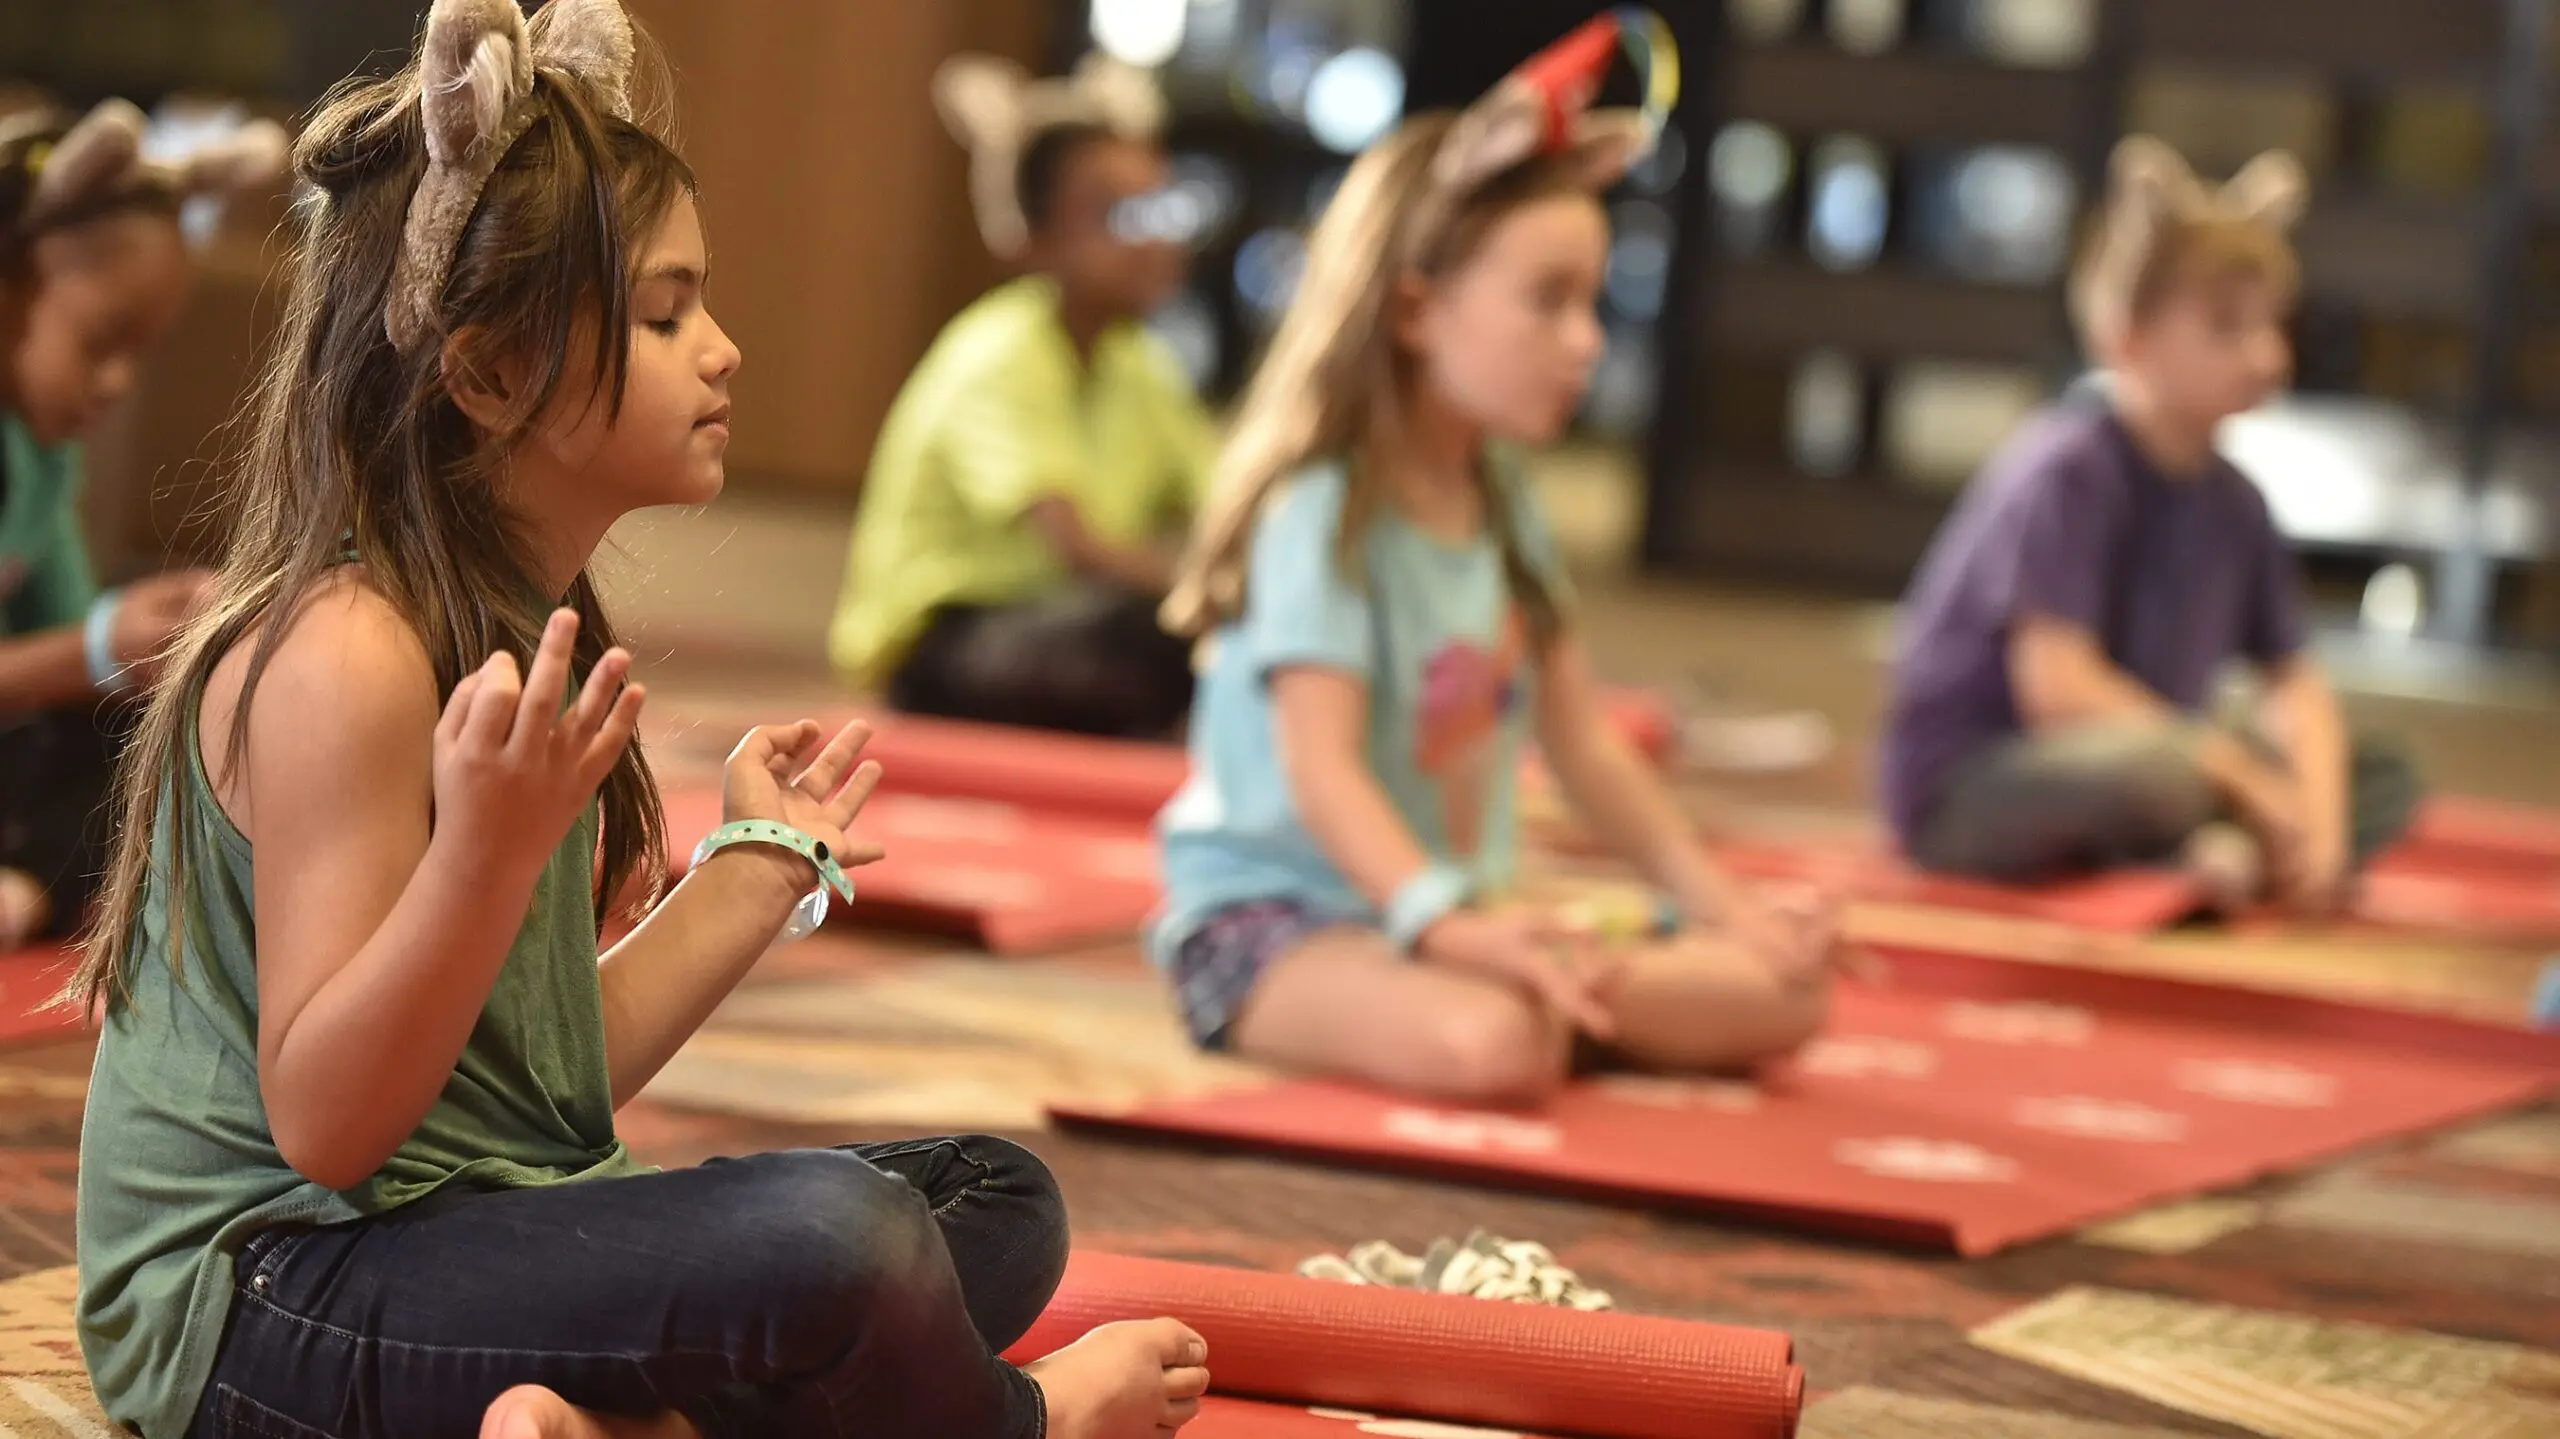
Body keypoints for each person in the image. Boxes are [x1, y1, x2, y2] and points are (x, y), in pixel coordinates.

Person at [69, 3, 1206, 1436]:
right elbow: (329, 1123)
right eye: (667, 315)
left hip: (452, 1227)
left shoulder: (506, 615)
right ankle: (1008, 1421)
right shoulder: (347, 653)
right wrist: (486, 853)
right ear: (485, 374)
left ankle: (598, 1421)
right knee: (844, 1243)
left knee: (991, 1199)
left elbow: (538, 1091)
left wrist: (750, 869)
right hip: (263, 1300)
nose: (723, 350)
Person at [1149, 16, 1840, 1107]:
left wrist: (1728, 909)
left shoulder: (1503, 500)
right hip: (1279, 921)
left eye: (1592, 303)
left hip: (1450, 916)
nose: (1587, 343)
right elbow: (1322, 774)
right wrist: (1458, 930)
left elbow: (1584, 743)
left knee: (1789, 991)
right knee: (1492, 1042)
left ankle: (1563, 992)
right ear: (1418, 307)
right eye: (1547, 301)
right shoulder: (1320, 510)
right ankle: (1557, 1001)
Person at [1880, 136, 2420, 912]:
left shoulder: (2237, 499)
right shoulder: (2068, 469)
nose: (2267, 355)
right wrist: (2239, 774)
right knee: (2165, 771)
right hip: (1987, 778)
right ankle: (2206, 845)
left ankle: (2229, 852)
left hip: (2161, 750)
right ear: (2127, 339)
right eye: (2227, 328)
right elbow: (2059, 691)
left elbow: (2294, 682)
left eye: (2275, 325)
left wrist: (2324, 821)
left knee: (2378, 769)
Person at [826, 53, 1213, 739]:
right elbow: (1077, 544)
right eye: (1116, 213)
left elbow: (1223, 496)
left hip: (1060, 621)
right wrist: (1204, 593)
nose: (1152, 238)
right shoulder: (999, 352)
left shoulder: (1141, 366)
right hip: (946, 643)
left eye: (1160, 208)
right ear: (1033, 232)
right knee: (1143, 632)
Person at [0, 99, 284, 947]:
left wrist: (162, 646)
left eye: (141, 351)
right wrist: (93, 648)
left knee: (136, 741)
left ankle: (31, 890)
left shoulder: (45, 458)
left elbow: (66, 646)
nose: (119, 381)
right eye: (100, 341)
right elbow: (68, 651)